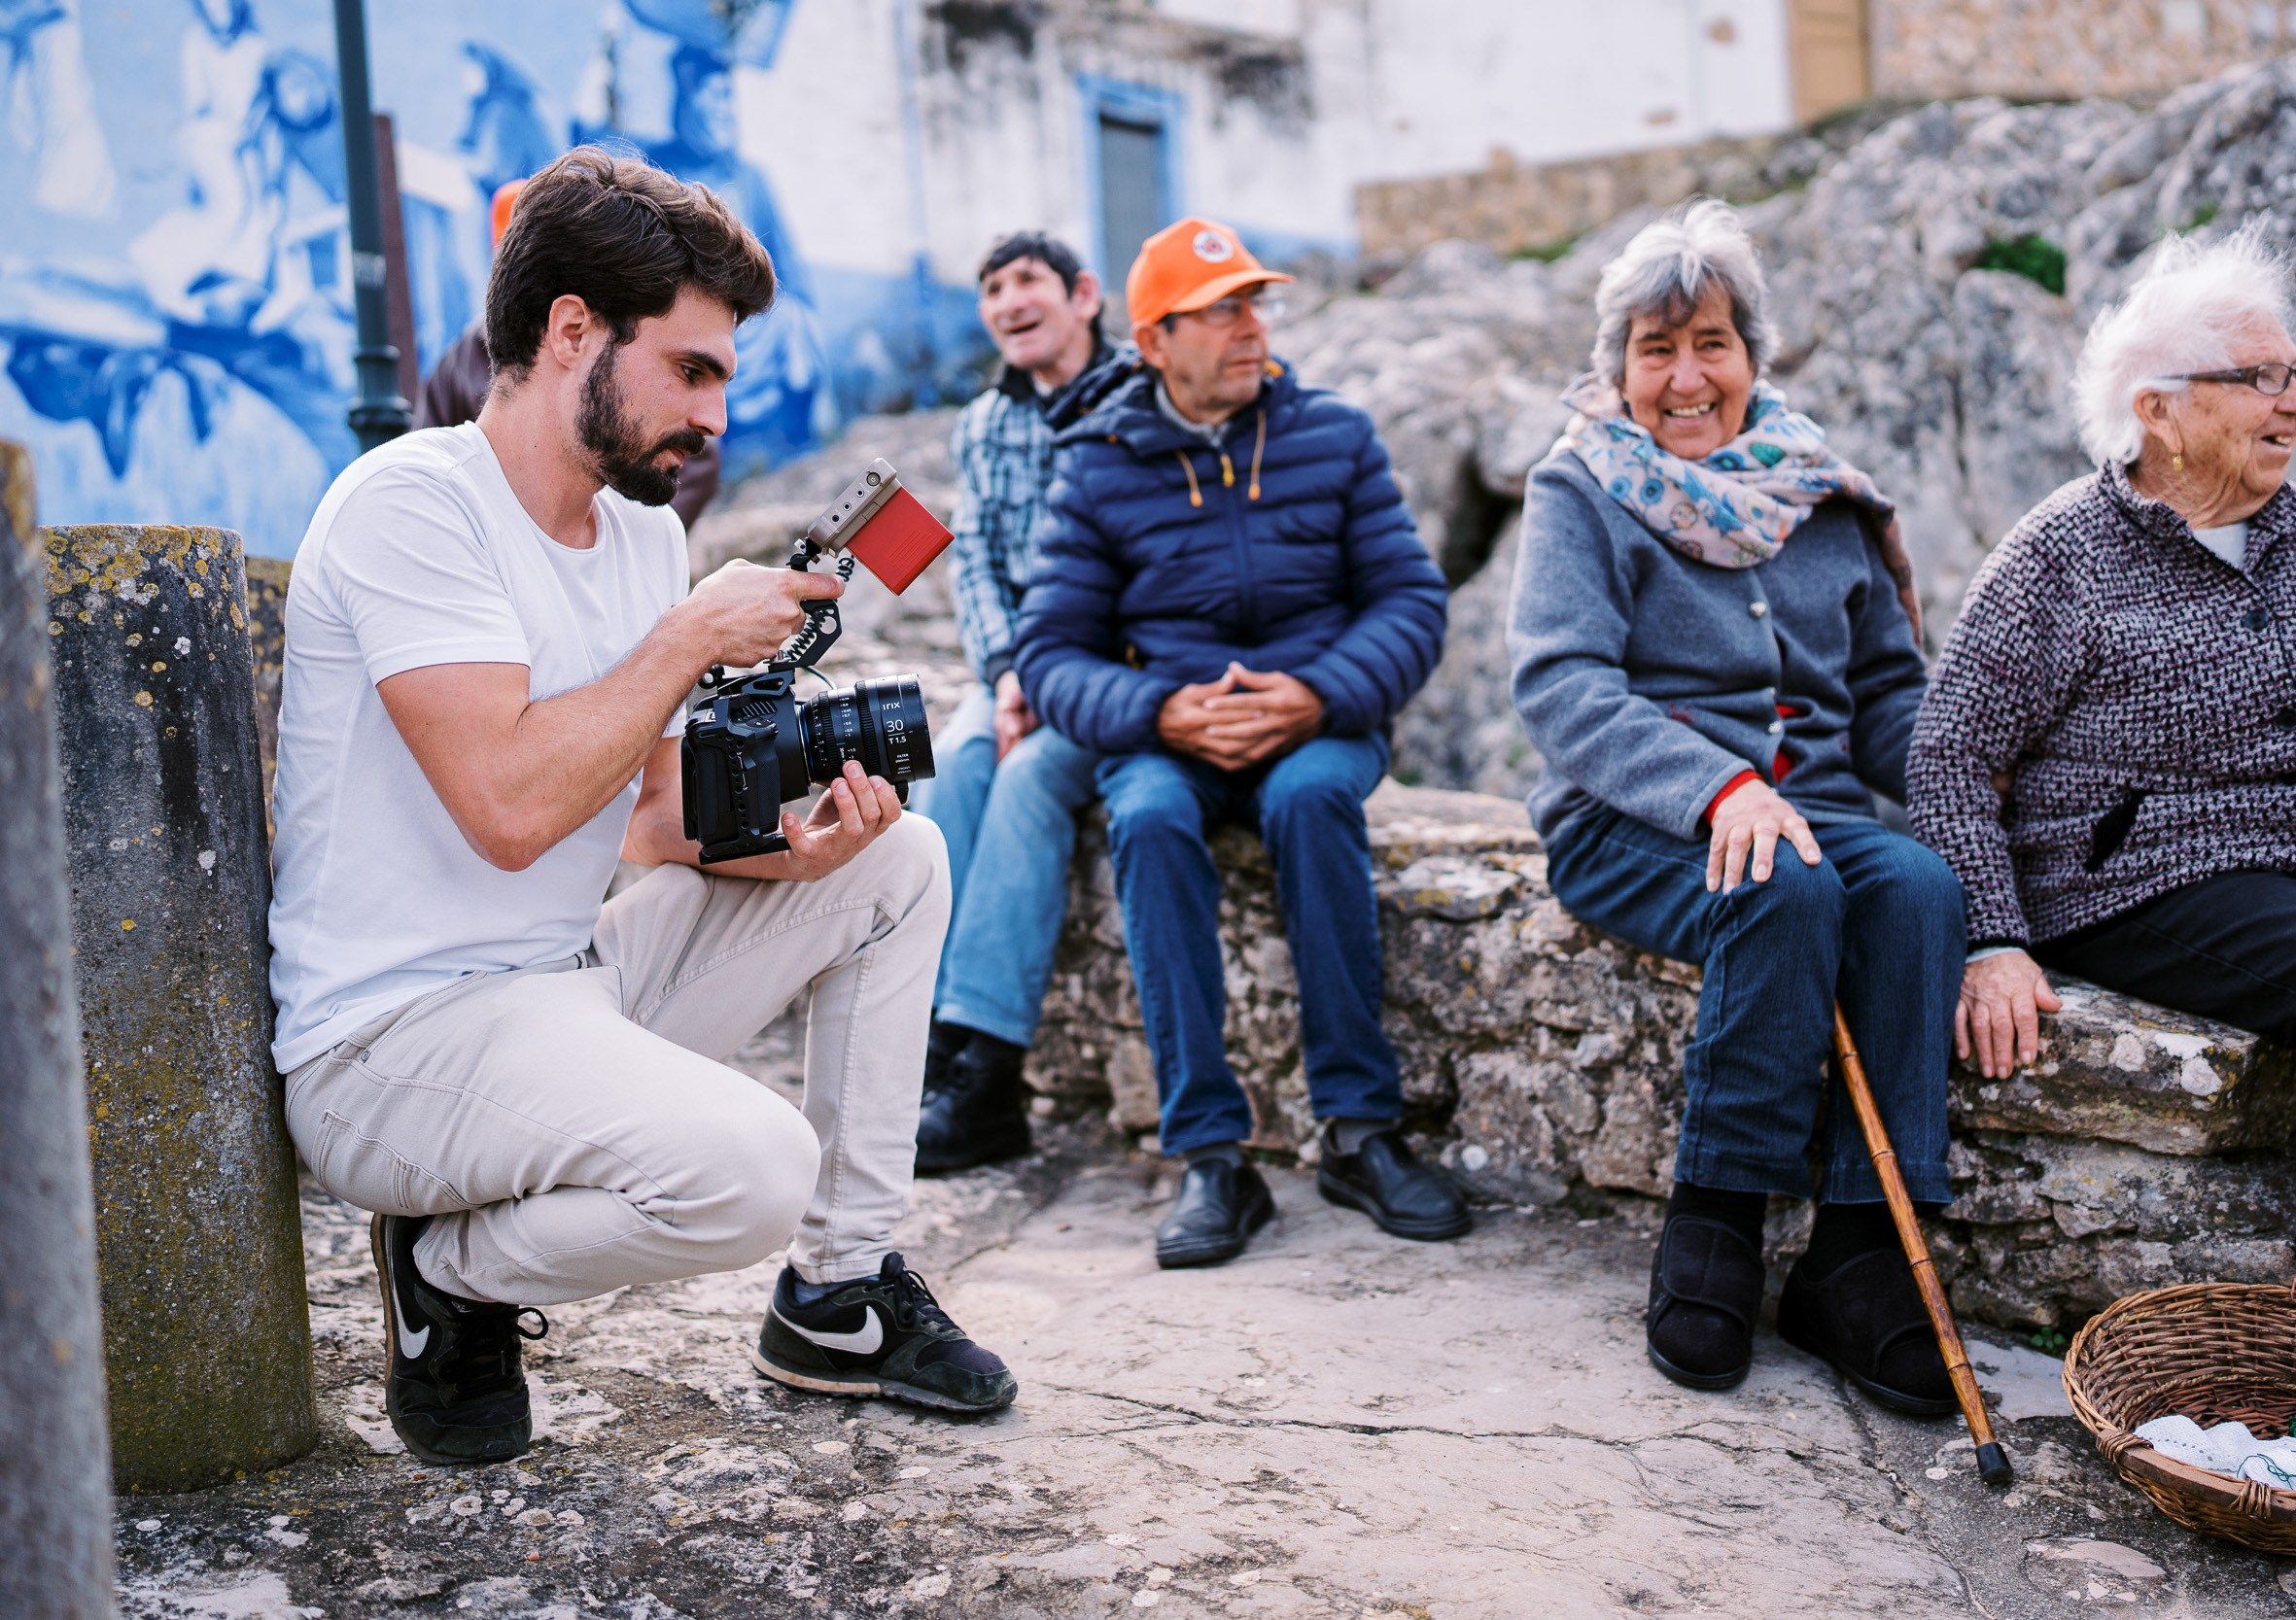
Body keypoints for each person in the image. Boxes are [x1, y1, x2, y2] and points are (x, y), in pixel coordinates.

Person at [269, 147, 1013, 1468]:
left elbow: (647, 814)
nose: (717, 417)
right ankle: (454, 1266)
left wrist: (797, 853)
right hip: (388, 1040)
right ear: (572, 335)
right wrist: (682, 642)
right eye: (693, 369)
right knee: (751, 1165)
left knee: (904, 860)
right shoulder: (412, 505)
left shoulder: (640, 535)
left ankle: (836, 1296)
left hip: (561, 985)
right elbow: (505, 805)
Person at [1909, 224, 2296, 1355]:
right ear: (2157, 408)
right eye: (2258, 379)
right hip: (2150, 879)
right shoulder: (2057, 557)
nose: (2293, 406)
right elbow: (1949, 755)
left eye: (2294, 377)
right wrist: (1990, 937)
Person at [1507, 200, 1964, 1412]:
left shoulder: (1821, 494)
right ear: (1620, 369)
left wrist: (1973, 796)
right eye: (1655, 351)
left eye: (1709, 342)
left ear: (1752, 359)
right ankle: (1715, 1218)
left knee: (1917, 886)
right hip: (1635, 823)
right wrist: (1718, 789)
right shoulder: (1580, 487)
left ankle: (1860, 1256)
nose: (1685, 376)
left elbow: (1884, 697)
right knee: (1776, 881)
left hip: (1810, 813)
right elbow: (1559, 684)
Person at [1015, 217, 1471, 1267]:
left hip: (1317, 720)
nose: (1248, 326)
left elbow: (1408, 599)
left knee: (1313, 801)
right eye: (1218, 311)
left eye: (1253, 304)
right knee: (1148, 816)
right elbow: (1050, 651)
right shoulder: (1097, 468)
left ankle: (1360, 1130)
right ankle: (1212, 1158)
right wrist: (1156, 714)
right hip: (1168, 729)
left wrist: (1316, 694)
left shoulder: (1334, 435)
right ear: (1152, 343)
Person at [914, 232, 1138, 1173]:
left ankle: (990, 1073)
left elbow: (1139, 563)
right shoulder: (982, 425)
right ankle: (924, 1041)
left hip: (1106, 668)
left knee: (1029, 776)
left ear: (1083, 295)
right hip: (1012, 673)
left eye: (1028, 282)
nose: (1009, 301)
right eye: (992, 289)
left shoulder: (1140, 402)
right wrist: (1008, 675)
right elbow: (972, 562)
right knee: (955, 765)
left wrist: (1046, 681)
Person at [418, 179, 722, 526]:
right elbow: (430, 449)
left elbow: (695, 457)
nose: (715, 420)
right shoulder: (462, 359)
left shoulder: (646, 536)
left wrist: (633, 525)